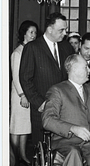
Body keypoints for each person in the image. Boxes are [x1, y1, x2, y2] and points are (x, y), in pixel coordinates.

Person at [19, 12, 74, 146]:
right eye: (61, 30)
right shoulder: (32, 47)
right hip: (42, 109)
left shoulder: (67, 47)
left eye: (65, 29)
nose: (65, 33)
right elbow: (25, 79)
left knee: (64, 149)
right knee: (42, 150)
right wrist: (40, 103)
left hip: (65, 109)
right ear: (50, 29)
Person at [10, 20, 38, 166]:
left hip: (28, 95)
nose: (34, 35)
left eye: (35, 32)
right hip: (19, 95)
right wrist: (22, 95)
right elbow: (16, 77)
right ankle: (15, 159)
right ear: (24, 34)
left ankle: (22, 155)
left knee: (24, 127)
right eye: (31, 32)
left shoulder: (30, 50)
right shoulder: (17, 53)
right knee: (16, 127)